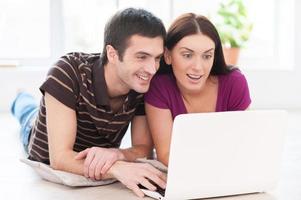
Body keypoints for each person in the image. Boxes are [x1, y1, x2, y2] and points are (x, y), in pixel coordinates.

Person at [11, 8, 166, 197]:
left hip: (88, 146)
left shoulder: (141, 84)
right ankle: (20, 96)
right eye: (141, 57)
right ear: (112, 53)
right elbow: (60, 158)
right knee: (26, 111)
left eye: (157, 58)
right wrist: (118, 168)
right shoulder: (68, 71)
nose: (152, 69)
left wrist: (118, 154)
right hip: (37, 135)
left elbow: (143, 148)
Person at [145, 13, 251, 166]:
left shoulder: (234, 83)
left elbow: (243, 143)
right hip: (187, 174)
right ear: (168, 56)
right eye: (187, 55)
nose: (198, 67)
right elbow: (166, 154)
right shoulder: (159, 86)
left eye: (207, 56)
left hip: (227, 172)